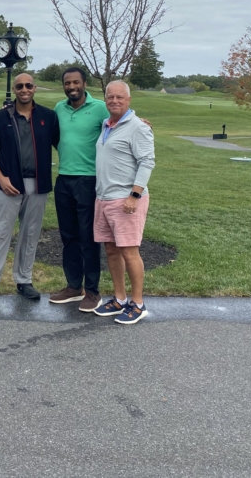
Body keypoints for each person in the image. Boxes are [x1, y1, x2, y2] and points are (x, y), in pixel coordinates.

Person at [0, 73, 60, 304]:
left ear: (35, 88)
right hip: (8, 185)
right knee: (0, 233)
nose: (24, 89)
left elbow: (66, 140)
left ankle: (24, 280)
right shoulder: (1, 116)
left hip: (38, 184)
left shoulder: (48, 117)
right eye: (20, 86)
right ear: (14, 89)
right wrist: (1, 178)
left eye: (28, 85)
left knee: (30, 234)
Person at [92, 80, 155, 324]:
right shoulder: (106, 125)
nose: (114, 101)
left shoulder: (138, 127)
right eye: (110, 97)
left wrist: (134, 195)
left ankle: (138, 304)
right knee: (111, 249)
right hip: (104, 198)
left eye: (120, 97)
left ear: (128, 100)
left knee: (129, 251)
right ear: (105, 99)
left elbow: (147, 162)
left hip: (127, 200)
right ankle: (119, 299)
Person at [48, 67, 109, 313]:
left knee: (88, 237)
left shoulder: (100, 108)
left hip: (89, 180)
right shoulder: (59, 108)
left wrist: (141, 122)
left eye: (76, 82)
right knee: (68, 236)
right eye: (67, 83)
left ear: (84, 84)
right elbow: (54, 137)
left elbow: (120, 124)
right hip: (64, 179)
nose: (71, 87)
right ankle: (74, 287)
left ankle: (92, 291)